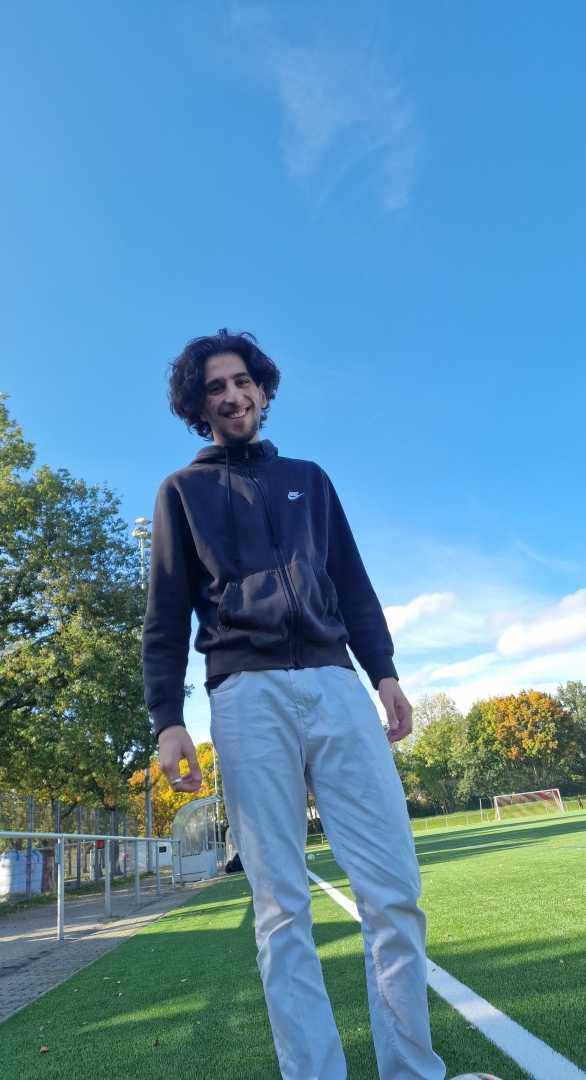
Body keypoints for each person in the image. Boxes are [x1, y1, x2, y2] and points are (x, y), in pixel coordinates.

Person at [142, 329, 445, 1080]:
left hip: (337, 683)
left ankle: (412, 1071)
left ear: (263, 389)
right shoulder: (180, 492)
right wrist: (168, 719)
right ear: (198, 405)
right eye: (215, 387)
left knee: (395, 893)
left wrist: (384, 672)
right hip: (244, 697)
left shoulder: (310, 480)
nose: (232, 395)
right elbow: (165, 613)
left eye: (242, 381)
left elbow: (353, 581)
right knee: (281, 910)